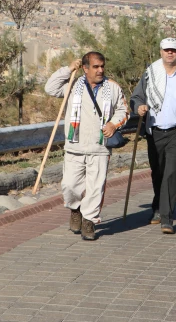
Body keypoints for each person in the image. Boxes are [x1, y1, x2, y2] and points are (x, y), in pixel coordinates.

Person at [45, 52, 129, 241]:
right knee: (69, 185)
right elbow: (50, 88)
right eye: (95, 67)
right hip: (74, 145)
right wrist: (68, 69)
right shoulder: (73, 84)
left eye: (102, 66)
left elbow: (124, 110)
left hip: (100, 147)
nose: (100, 70)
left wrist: (113, 124)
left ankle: (89, 220)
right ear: (85, 68)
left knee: (95, 187)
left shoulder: (112, 87)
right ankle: (75, 209)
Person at [130, 38, 176, 234]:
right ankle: (157, 206)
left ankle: (166, 218)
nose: (170, 53)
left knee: (170, 173)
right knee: (158, 173)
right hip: (154, 132)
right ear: (160, 51)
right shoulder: (150, 73)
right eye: (166, 50)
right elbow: (136, 97)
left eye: (173, 50)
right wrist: (139, 107)